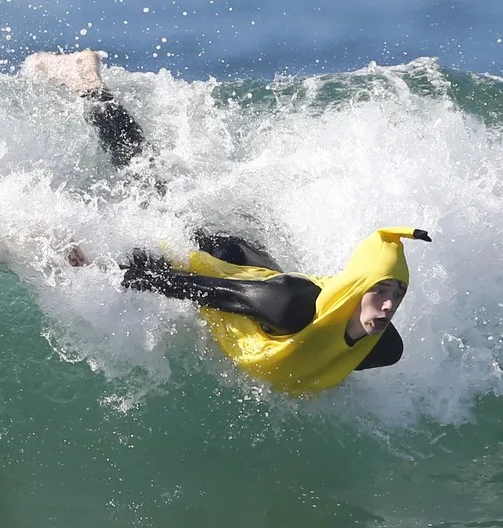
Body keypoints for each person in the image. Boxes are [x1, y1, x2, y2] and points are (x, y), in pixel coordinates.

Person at [24, 50, 432, 394]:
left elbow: (330, 353)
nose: (389, 305)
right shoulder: (288, 306)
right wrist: (97, 268)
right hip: (223, 259)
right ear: (357, 286)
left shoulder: (384, 348)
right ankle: (88, 86)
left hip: (265, 271)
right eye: (379, 290)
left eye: (398, 293)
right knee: (151, 191)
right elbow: (187, 286)